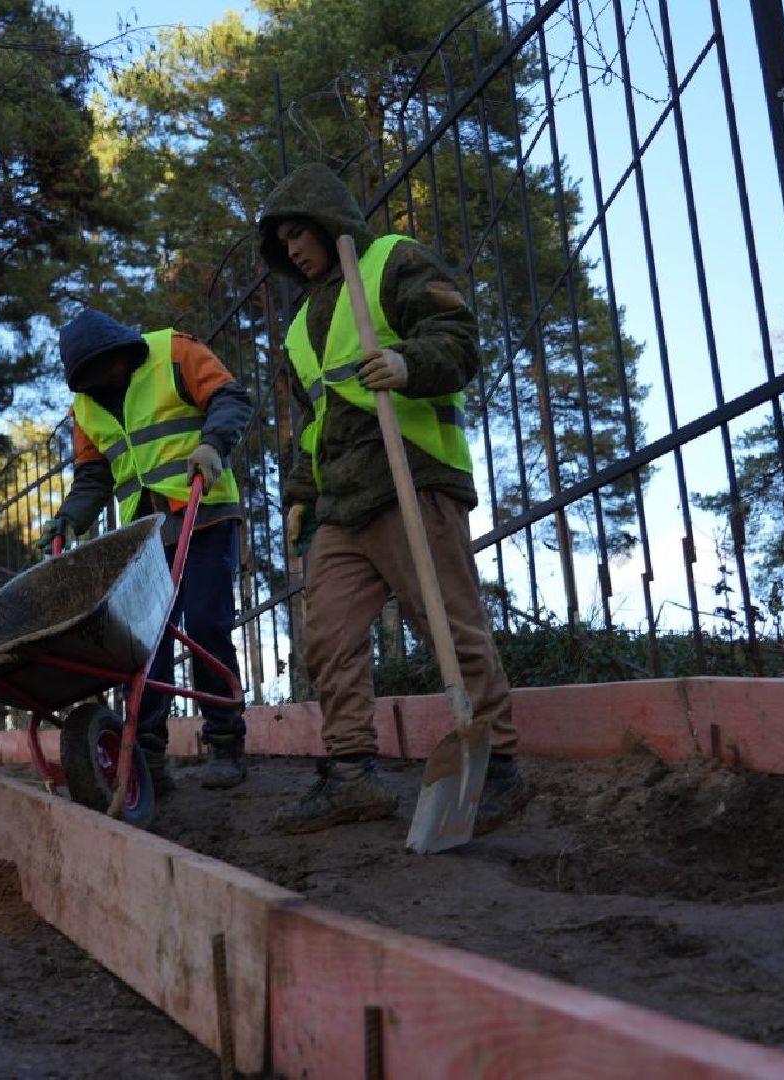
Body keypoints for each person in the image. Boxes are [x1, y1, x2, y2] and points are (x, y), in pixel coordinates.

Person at [256, 163, 523, 835]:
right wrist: (299, 494)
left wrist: (408, 363)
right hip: (341, 502)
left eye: (298, 233)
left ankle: (498, 768)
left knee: (449, 624)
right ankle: (350, 774)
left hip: (412, 473)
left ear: (327, 221)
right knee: (328, 639)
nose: (291, 249)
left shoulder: (391, 261)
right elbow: (312, 423)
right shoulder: (295, 329)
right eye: (282, 240)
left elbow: (458, 340)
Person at [39, 309, 255, 793]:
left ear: (120, 353)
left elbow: (230, 398)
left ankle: (225, 741)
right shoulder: (85, 408)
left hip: (204, 511)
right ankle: (147, 753)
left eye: (105, 372)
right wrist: (69, 518)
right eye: (88, 381)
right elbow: (93, 477)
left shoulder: (174, 351)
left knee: (207, 624)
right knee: (144, 643)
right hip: (147, 533)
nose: (101, 384)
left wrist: (213, 445)